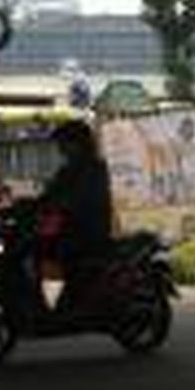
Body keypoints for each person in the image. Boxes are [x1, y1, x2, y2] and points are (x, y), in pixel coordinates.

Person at [38, 120, 114, 312]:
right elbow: (50, 194)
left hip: (89, 230)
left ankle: (61, 303)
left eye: (64, 143)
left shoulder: (94, 169)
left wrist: (63, 205)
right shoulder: (68, 170)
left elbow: (81, 199)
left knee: (54, 253)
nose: (60, 148)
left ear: (77, 143)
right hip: (71, 227)